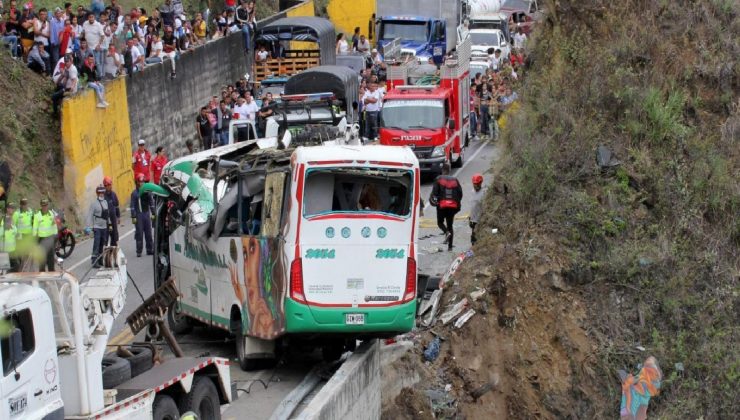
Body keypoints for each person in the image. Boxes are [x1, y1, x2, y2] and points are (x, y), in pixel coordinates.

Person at [429, 163, 462, 251]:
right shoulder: (455, 180)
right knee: (450, 225)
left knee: (440, 222)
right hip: (452, 207)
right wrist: (457, 205)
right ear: (449, 170)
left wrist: (435, 202)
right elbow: (460, 194)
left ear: (442, 170)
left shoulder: (438, 179)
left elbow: (434, 193)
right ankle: (450, 247)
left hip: (442, 206)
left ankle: (446, 232)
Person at [85, 184, 110, 267]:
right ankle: (94, 260)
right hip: (97, 227)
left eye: (103, 192)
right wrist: (88, 227)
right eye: (100, 193)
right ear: (97, 194)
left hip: (104, 227)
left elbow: (107, 214)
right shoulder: (94, 204)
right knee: (97, 243)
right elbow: (90, 215)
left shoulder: (105, 202)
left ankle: (100, 259)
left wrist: (109, 224)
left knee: (102, 244)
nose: (101, 194)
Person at [130, 173, 154, 257]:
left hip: (146, 214)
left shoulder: (147, 192)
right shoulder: (134, 193)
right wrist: (133, 216)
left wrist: (153, 213)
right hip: (139, 215)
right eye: (140, 181)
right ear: (137, 182)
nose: (142, 183)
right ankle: (139, 251)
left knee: (148, 233)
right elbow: (132, 205)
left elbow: (151, 202)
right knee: (139, 233)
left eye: (143, 181)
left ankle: (149, 249)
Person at [33, 198, 57, 271]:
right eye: (43, 205)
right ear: (41, 206)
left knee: (51, 259)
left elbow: (54, 226)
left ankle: (52, 274)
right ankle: (42, 275)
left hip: (50, 239)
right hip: (41, 240)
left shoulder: (51, 214)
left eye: (46, 205)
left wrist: (55, 237)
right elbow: (35, 228)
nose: (45, 207)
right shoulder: (37, 215)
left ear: (48, 205)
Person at [12, 198, 34, 265]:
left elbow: (33, 222)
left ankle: (26, 267)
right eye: (23, 204)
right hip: (20, 236)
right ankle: (20, 266)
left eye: (26, 204)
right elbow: (13, 225)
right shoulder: (16, 213)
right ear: (20, 205)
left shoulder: (30, 212)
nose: (25, 206)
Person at [102, 176, 120, 246]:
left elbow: (117, 206)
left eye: (110, 185)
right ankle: (104, 253)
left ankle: (113, 252)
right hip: (106, 221)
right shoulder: (103, 196)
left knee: (115, 237)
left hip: (113, 219)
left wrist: (118, 217)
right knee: (105, 238)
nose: (109, 187)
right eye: (107, 185)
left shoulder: (114, 195)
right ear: (105, 186)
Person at [0, 203, 19, 272]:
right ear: (7, 209)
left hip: (12, 250)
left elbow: (14, 232)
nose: (12, 210)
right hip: (4, 251)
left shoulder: (12, 219)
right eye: (10, 208)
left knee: (16, 267)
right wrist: (4, 229)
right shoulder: (3, 219)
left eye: (13, 208)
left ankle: (10, 280)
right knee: (5, 269)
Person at [469, 173, 484, 245]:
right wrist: (470, 218)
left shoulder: (484, 192)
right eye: (474, 184)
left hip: (481, 220)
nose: (476, 185)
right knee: (473, 239)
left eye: (477, 184)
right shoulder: (472, 192)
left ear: (480, 183)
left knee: (480, 238)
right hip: (473, 220)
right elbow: (472, 206)